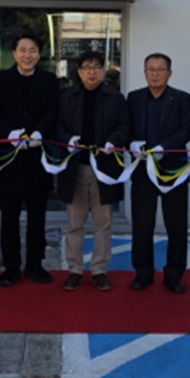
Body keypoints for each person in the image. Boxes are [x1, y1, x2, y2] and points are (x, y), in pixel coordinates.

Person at [0, 32, 60, 287]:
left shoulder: (49, 80)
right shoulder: (0, 79)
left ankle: (35, 265)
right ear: (14, 53)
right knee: (9, 217)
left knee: (37, 217)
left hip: (37, 157)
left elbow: (52, 110)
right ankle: (11, 267)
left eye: (33, 50)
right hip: (8, 158)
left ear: (39, 54)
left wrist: (40, 132)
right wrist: (8, 133)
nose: (28, 55)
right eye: (23, 50)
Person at [56, 51, 130, 292]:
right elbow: (56, 125)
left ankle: (99, 269)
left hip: (104, 166)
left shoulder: (115, 98)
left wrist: (113, 141)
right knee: (74, 222)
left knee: (103, 222)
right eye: (86, 67)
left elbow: (124, 126)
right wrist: (67, 139)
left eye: (96, 67)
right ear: (79, 72)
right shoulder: (67, 96)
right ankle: (75, 269)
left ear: (103, 70)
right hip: (75, 166)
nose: (91, 71)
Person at [127, 52, 190, 294]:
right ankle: (143, 273)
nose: (155, 74)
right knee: (142, 224)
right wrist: (132, 143)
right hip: (143, 170)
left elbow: (187, 130)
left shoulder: (181, 98)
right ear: (144, 73)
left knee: (176, 225)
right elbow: (126, 127)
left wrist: (164, 148)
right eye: (151, 69)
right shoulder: (134, 98)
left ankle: (174, 275)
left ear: (169, 73)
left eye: (160, 69)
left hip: (173, 169)